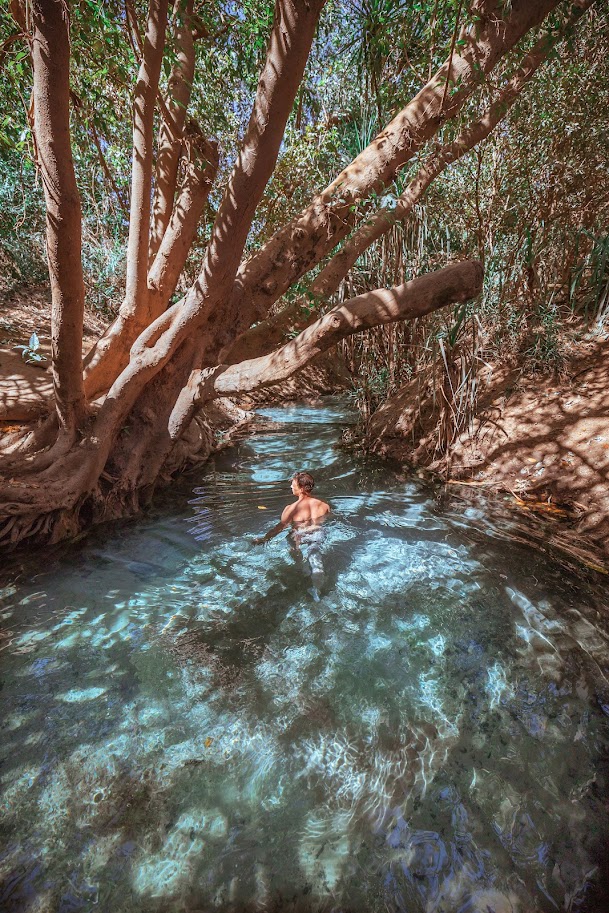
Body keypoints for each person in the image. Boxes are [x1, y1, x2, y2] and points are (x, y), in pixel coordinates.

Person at [253, 471, 330, 600]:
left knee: (294, 547)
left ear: (301, 489)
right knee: (316, 559)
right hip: (318, 533)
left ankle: (303, 569)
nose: (290, 487)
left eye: (293, 485)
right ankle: (317, 589)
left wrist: (264, 539)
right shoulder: (324, 505)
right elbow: (329, 521)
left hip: (299, 534)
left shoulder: (291, 508)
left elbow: (279, 528)